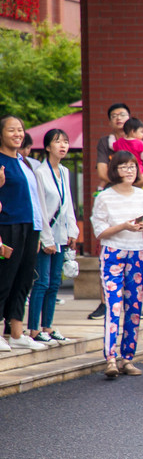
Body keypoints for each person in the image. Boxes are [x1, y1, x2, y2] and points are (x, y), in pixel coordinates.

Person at [90, 151, 143, 377]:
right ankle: (110, 358)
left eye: (133, 166)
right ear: (115, 170)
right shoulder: (104, 197)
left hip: (137, 253)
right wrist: (124, 226)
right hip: (113, 253)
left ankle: (127, 358)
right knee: (114, 305)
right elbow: (99, 232)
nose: (129, 171)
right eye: (124, 167)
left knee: (134, 306)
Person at [89, 103, 143, 321]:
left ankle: (133, 303)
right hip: (111, 198)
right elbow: (102, 172)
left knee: (134, 246)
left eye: (123, 114)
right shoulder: (106, 143)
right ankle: (105, 302)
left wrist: (125, 178)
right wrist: (122, 179)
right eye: (114, 115)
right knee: (107, 247)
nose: (119, 118)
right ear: (109, 121)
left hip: (135, 197)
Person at [0, 115, 49, 351]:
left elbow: (34, 199)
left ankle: (17, 333)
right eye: (12, 130)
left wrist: (38, 231)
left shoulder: (25, 162)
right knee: (4, 278)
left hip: (30, 226)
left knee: (23, 280)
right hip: (8, 225)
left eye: (20, 130)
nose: (18, 134)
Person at [28, 129, 80, 346]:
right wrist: (46, 239)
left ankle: (47, 327)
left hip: (61, 234)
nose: (63, 145)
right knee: (42, 282)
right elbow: (39, 207)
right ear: (48, 147)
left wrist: (72, 231)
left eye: (65, 142)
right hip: (45, 235)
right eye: (58, 142)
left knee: (55, 282)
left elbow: (68, 204)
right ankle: (34, 329)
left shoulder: (65, 172)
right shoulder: (40, 173)